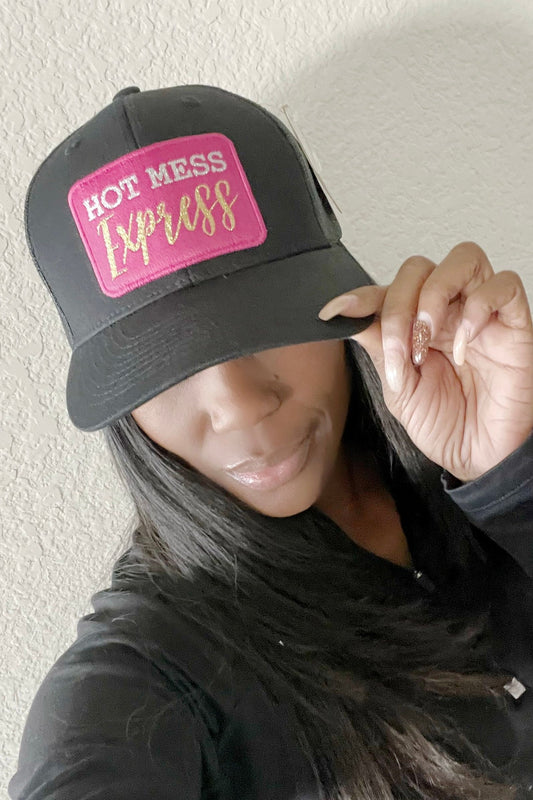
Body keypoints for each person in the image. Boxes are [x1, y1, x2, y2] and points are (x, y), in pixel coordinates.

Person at [8, 83, 533, 800]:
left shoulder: (465, 457)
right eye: (162, 368)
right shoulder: (153, 665)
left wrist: (512, 478)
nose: (239, 407)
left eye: (263, 323)